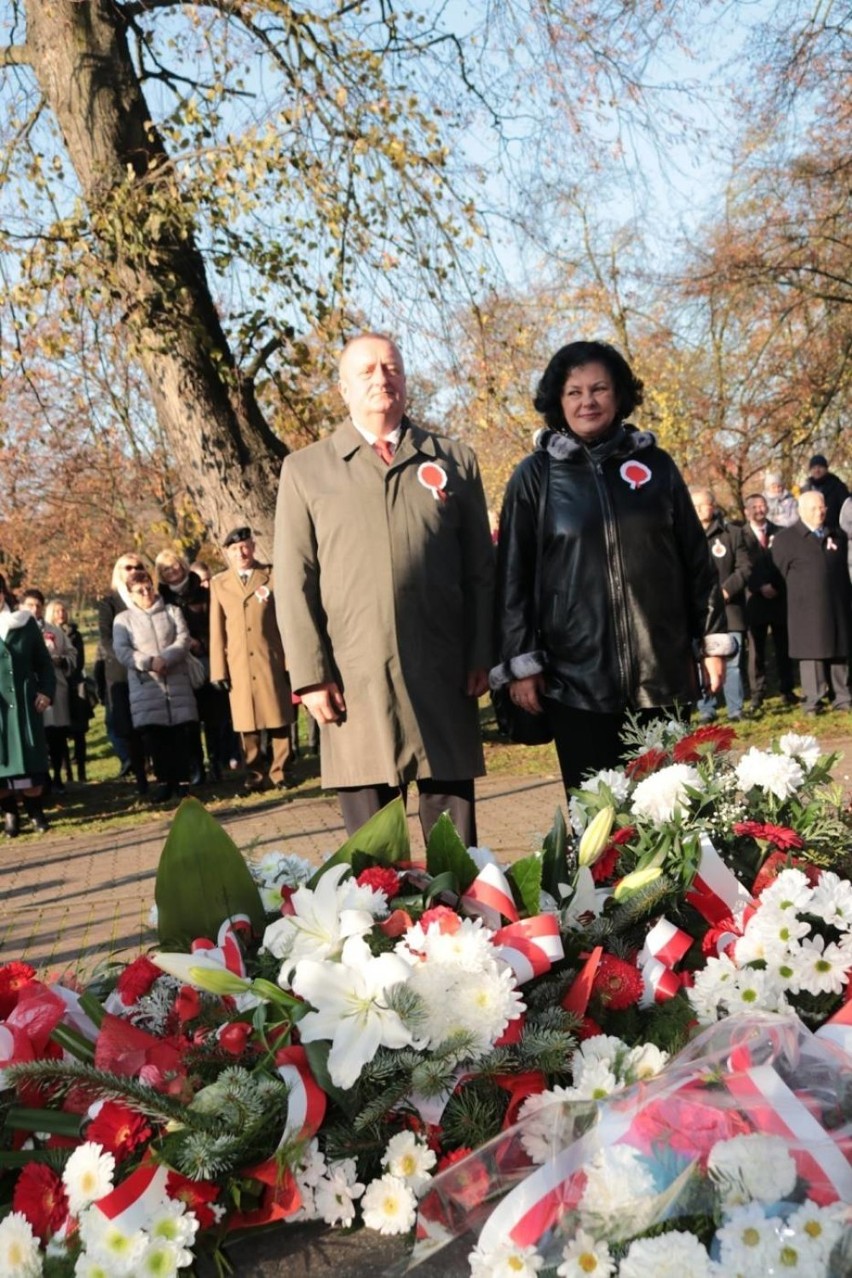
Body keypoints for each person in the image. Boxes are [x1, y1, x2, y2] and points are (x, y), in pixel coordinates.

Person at [274, 332, 494, 844]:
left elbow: (480, 569)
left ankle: (461, 923)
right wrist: (309, 677)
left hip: (443, 672)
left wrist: (481, 651)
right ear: (343, 388)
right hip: (354, 680)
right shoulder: (306, 470)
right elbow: (293, 579)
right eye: (367, 370)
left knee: (455, 849)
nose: (382, 378)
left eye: (391, 367)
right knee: (374, 858)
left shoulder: (454, 461)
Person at [493, 340, 731, 795]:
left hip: (662, 674)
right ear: (557, 402)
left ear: (619, 394)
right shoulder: (536, 475)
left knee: (671, 814)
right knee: (597, 824)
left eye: (599, 388)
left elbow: (696, 561)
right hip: (576, 680)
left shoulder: (656, 466)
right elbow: (513, 575)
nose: (588, 401)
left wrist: (712, 644)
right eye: (574, 391)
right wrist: (521, 663)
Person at [209, 527, 295, 791]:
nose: (241, 553)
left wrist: (290, 662)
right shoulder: (219, 583)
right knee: (248, 722)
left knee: (279, 717)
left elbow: (287, 620)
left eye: (245, 546)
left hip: (270, 658)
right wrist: (218, 670)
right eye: (235, 549)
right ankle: (255, 773)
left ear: (253, 546)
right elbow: (217, 630)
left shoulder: (271, 576)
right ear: (228, 553)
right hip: (239, 664)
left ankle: (280, 772)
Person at [113, 571, 199, 801]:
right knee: (156, 737)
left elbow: (183, 639)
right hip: (147, 686)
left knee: (179, 735)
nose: (146, 593)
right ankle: (164, 783)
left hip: (176, 680)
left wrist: (166, 658)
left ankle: (182, 782)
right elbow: (123, 651)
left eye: (149, 587)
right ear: (131, 594)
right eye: (140, 591)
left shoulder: (172, 611)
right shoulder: (123, 620)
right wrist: (149, 662)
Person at [771, 490, 852, 715]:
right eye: (814, 508)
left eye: (822, 507)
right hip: (805, 608)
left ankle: (842, 697)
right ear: (802, 511)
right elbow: (779, 572)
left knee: (838, 650)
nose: (820, 512)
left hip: (836, 604)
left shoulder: (837, 535)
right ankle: (813, 700)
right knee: (812, 653)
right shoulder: (786, 539)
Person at [689, 490, 752, 723]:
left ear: (713, 506)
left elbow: (744, 568)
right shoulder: (686, 537)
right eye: (693, 506)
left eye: (702, 505)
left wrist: (726, 591)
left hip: (730, 609)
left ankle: (736, 709)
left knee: (733, 663)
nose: (697, 511)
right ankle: (706, 709)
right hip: (700, 615)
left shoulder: (732, 534)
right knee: (700, 663)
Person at [0, 574, 55, 835]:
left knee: (29, 759)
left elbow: (44, 663)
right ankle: (10, 815)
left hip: (24, 702)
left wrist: (45, 691)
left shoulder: (25, 622)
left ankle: (36, 812)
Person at [98, 554, 150, 792]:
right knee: (128, 728)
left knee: (151, 724)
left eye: (138, 566)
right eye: (127, 567)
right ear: (118, 571)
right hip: (121, 672)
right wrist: (130, 658)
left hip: (151, 669)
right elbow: (106, 640)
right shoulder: (108, 603)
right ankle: (140, 778)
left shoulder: (149, 595)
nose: (133, 570)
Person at [740, 495, 797, 710]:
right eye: (754, 507)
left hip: (779, 598)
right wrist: (760, 586)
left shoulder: (781, 532)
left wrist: (775, 586)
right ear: (746, 511)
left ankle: (787, 689)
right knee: (757, 651)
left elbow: (786, 563)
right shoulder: (740, 535)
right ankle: (757, 693)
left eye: (762, 505)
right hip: (754, 600)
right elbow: (743, 565)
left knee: (784, 647)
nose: (759, 510)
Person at [20, 588, 77, 794]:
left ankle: (57, 776)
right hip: (29, 689)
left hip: (54, 687)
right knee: (37, 736)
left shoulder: (54, 630)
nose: (34, 609)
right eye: (30, 605)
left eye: (38, 605)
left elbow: (71, 652)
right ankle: (40, 777)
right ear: (21, 606)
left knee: (56, 735)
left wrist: (61, 661)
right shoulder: (15, 630)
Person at [45, 599, 93, 783]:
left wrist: (64, 663)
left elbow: (78, 659)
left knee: (79, 730)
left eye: (63, 610)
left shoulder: (74, 634)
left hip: (74, 686)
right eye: (56, 611)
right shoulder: (45, 632)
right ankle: (65, 771)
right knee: (59, 731)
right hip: (56, 686)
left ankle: (81, 770)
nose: (61, 614)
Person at [802, 454, 849, 529]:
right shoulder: (806, 488)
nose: (817, 470)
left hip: (834, 529)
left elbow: (847, 509)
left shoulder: (838, 486)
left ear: (826, 469)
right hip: (811, 531)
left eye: (820, 467)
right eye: (814, 468)